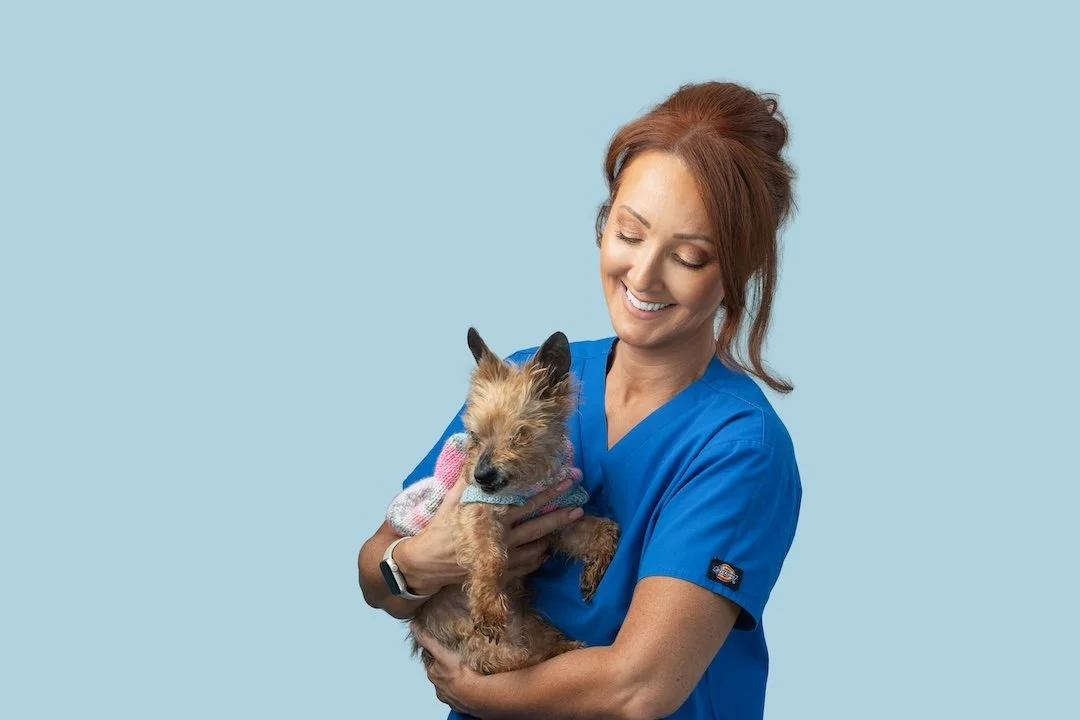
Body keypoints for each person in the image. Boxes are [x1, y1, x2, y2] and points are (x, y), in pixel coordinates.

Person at [358, 80, 802, 720]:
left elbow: (639, 688)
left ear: (737, 270)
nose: (644, 276)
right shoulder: (520, 384)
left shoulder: (738, 449)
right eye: (629, 233)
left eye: (688, 255)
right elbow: (376, 571)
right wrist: (420, 562)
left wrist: (478, 694)